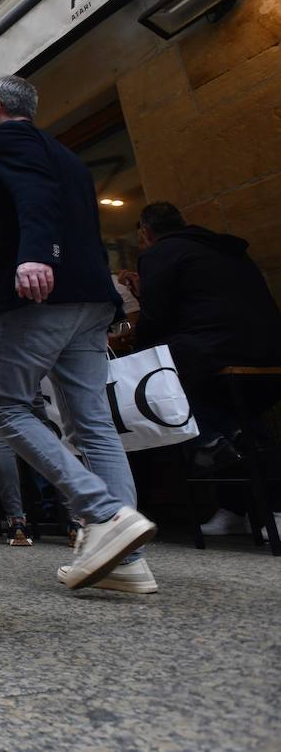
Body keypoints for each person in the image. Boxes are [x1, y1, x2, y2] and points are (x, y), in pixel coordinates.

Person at [0, 75, 156, 595]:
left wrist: (35, 255)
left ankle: (104, 514)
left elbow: (36, 196)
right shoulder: (66, 155)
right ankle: (126, 560)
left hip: (38, 299)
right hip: (89, 300)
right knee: (92, 425)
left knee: (2, 407)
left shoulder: (10, 138)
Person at [132, 201, 281, 536]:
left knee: (151, 376)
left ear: (146, 232)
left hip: (214, 353)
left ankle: (213, 443)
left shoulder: (159, 254)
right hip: (268, 350)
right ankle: (235, 506)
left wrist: (138, 344)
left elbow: (155, 318)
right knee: (236, 414)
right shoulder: (223, 247)